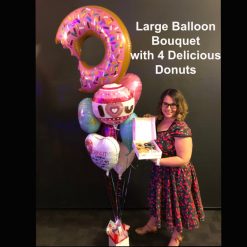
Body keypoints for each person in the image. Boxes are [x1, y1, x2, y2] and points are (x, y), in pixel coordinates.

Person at [135, 88, 205, 246]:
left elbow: (184, 159)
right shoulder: (158, 121)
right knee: (158, 201)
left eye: (173, 105)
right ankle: (151, 225)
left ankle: (176, 236)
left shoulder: (181, 127)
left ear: (180, 106)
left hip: (177, 176)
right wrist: (144, 123)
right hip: (160, 173)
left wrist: (157, 160)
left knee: (177, 206)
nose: (168, 108)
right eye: (165, 104)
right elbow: (146, 134)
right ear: (161, 104)